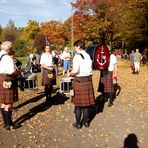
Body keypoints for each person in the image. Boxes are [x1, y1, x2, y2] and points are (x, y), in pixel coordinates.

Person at [68, 40, 95, 129]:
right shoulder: (88, 55)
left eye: (75, 47)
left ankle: (78, 124)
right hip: (88, 81)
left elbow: (75, 71)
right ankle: (86, 123)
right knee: (86, 105)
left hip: (79, 81)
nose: (75, 49)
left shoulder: (77, 57)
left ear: (79, 46)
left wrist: (70, 74)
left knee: (78, 105)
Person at [0, 41, 21, 130]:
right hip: (8, 79)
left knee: (2, 103)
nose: (12, 50)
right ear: (8, 49)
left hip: (1, 78)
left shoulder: (0, 54)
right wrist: (17, 72)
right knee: (8, 104)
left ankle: (6, 123)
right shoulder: (8, 58)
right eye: (11, 48)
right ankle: (9, 124)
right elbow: (11, 71)